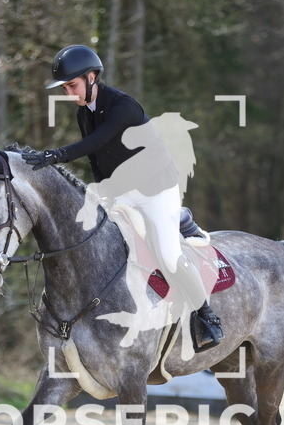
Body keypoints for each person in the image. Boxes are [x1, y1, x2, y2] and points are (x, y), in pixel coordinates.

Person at [23, 45, 223, 352]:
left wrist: (55, 156)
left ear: (92, 77)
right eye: (65, 88)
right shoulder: (84, 112)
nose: (68, 93)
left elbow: (97, 141)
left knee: (168, 254)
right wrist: (102, 190)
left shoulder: (122, 106)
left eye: (72, 85)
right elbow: (96, 158)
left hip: (157, 189)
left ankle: (207, 316)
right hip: (124, 188)